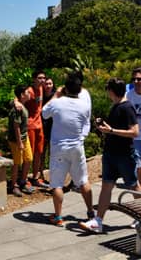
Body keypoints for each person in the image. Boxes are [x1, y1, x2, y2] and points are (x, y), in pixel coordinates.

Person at [79, 78, 141, 233]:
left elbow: (135, 132)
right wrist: (105, 127)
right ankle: (98, 221)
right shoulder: (116, 106)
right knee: (106, 186)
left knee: (133, 185)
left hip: (125, 155)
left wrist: (112, 131)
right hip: (111, 154)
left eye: (108, 90)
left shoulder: (127, 108)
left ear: (112, 91)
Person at [41, 73, 95, 226]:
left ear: (65, 88)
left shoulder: (57, 103)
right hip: (77, 147)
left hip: (59, 147)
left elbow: (44, 113)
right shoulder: (84, 105)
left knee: (57, 183)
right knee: (83, 180)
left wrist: (56, 95)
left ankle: (58, 217)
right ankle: (91, 212)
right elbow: (86, 123)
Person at [8, 85, 34, 197]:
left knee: (29, 158)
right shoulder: (17, 109)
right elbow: (16, 126)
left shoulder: (21, 106)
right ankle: (14, 185)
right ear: (22, 95)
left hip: (25, 137)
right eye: (27, 92)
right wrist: (19, 142)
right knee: (17, 162)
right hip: (16, 140)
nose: (30, 93)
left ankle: (22, 181)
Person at [25, 70, 49, 188]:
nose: (42, 80)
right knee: (29, 154)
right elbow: (18, 100)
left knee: (39, 152)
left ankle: (35, 177)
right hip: (30, 125)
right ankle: (23, 179)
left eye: (43, 78)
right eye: (39, 78)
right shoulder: (29, 91)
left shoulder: (41, 89)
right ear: (34, 79)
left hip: (39, 125)